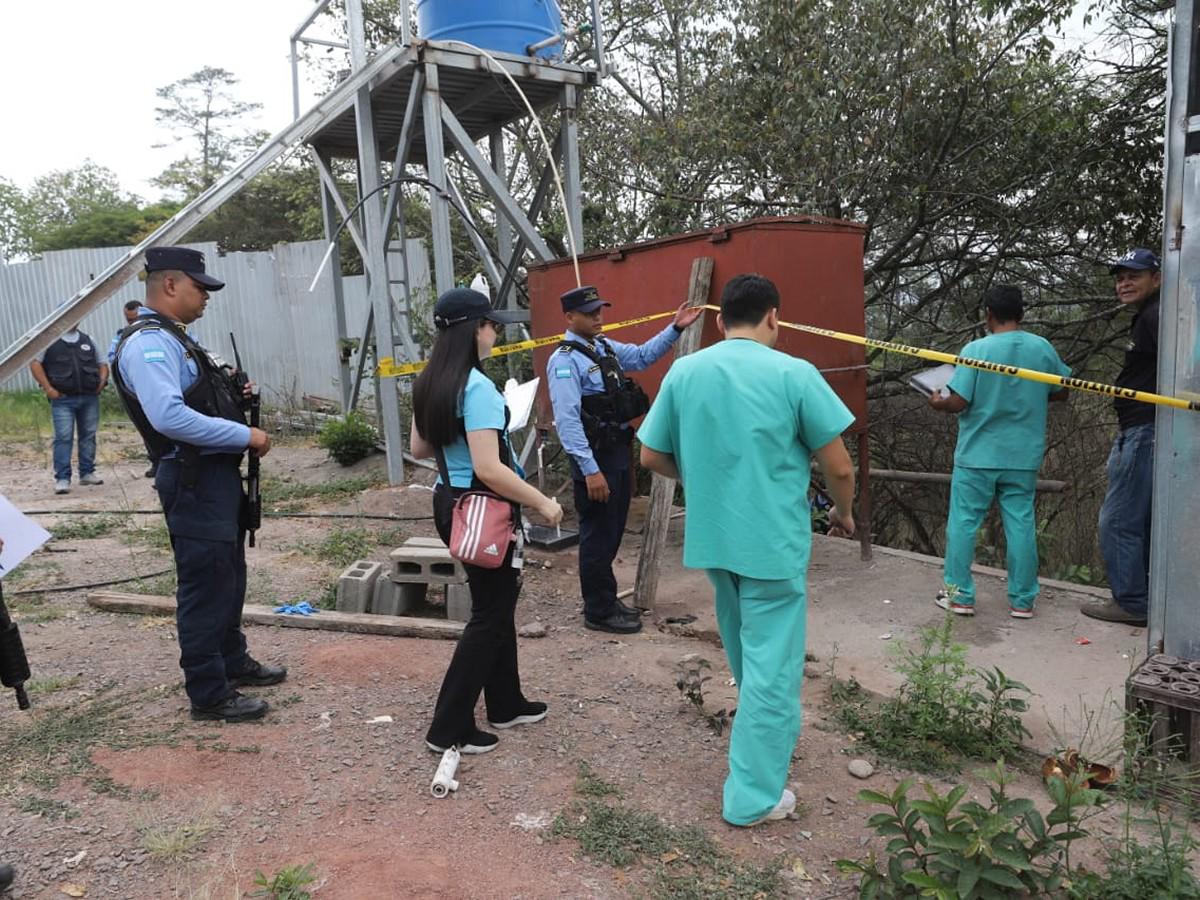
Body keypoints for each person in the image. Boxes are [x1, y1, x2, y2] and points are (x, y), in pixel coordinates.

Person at [637, 273, 856, 828]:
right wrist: (843, 512)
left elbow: (651, 457)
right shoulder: (795, 374)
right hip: (772, 545)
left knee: (748, 658)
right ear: (774, 317)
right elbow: (839, 467)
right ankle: (752, 798)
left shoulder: (686, 371)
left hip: (715, 539)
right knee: (772, 672)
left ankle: (759, 749)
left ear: (720, 321)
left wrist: (702, 478)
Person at [112, 246, 285, 723]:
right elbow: (168, 416)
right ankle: (209, 693)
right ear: (170, 285)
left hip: (213, 476)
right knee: (205, 583)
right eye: (199, 287)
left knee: (228, 574)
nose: (206, 297)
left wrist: (232, 393)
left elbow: (195, 400)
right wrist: (245, 435)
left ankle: (232, 660)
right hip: (192, 478)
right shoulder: (149, 344)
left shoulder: (178, 339)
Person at [410, 288, 564, 754]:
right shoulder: (476, 388)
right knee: (489, 616)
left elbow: (420, 448)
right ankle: (448, 727)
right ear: (473, 329)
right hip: (486, 507)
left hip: (450, 501)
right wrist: (542, 503)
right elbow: (490, 468)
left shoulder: (429, 381)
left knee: (496, 607)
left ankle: (506, 702)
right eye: (492, 325)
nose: (496, 332)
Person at [546, 285, 703, 634]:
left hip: (616, 452)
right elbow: (568, 422)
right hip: (595, 459)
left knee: (613, 531)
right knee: (597, 535)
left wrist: (675, 328)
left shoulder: (603, 347)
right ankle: (598, 611)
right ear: (570, 317)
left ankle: (606, 599)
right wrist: (590, 471)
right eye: (589, 313)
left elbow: (643, 356)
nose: (597, 317)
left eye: (599, 310)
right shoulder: (565, 361)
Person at [928, 285, 1070, 618]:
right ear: (1021, 313)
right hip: (1023, 455)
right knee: (1020, 523)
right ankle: (1022, 600)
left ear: (988, 314)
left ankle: (959, 596)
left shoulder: (976, 349)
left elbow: (959, 401)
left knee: (964, 523)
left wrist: (938, 402)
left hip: (977, 454)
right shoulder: (1042, 348)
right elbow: (1062, 391)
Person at [1080, 248, 1161, 627]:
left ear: (1156, 279)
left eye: (1134, 276)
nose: (1124, 283)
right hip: (1142, 427)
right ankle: (1146, 599)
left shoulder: (1157, 316)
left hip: (1145, 429)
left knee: (1118, 520)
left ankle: (1131, 602)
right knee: (1140, 520)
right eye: (1120, 278)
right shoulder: (1149, 315)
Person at [28, 317, 107, 495]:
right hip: (62, 399)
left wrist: (102, 382)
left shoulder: (88, 340)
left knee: (88, 436)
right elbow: (34, 363)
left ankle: (87, 473)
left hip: (89, 397)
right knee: (63, 438)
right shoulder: (49, 341)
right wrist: (48, 388)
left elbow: (102, 363)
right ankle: (62, 479)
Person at [110, 299, 159, 478]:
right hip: (136, 392)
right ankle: (156, 461)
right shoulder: (122, 336)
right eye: (129, 320)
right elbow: (112, 357)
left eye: (134, 319)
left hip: (158, 388)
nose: (132, 323)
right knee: (146, 428)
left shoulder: (158, 332)